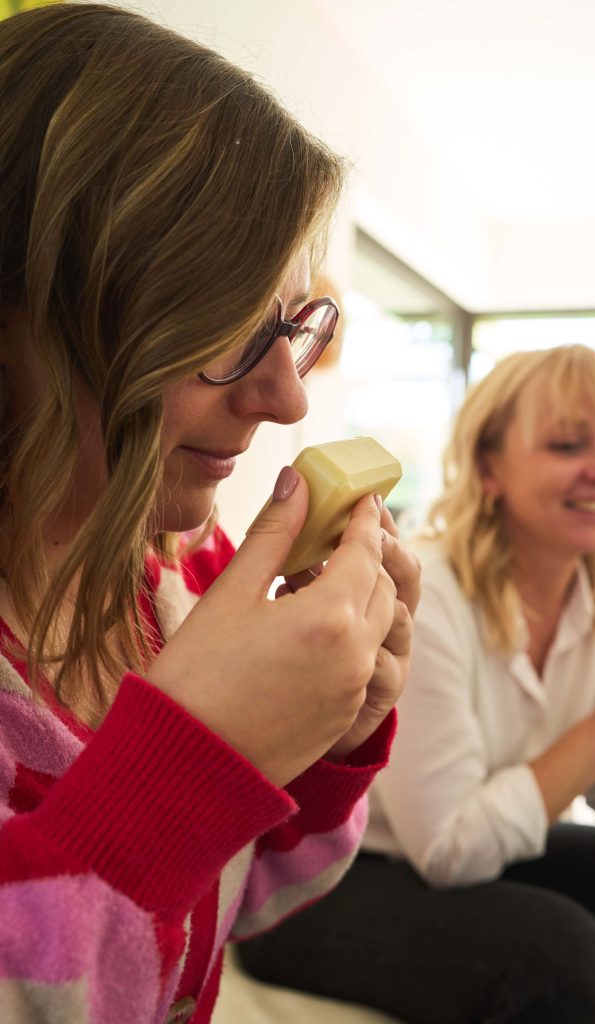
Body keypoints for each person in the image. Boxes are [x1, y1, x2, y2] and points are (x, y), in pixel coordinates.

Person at [0, 4, 421, 1023]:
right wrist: (187, 759)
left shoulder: (188, 571)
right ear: (33, 320)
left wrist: (326, 743)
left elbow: (251, 898)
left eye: (291, 325)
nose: (286, 399)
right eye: (224, 328)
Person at [236, 345, 595, 1024]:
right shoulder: (432, 594)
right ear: (487, 469)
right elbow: (449, 849)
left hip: (460, 860)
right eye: (567, 444)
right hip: (320, 883)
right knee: (565, 956)